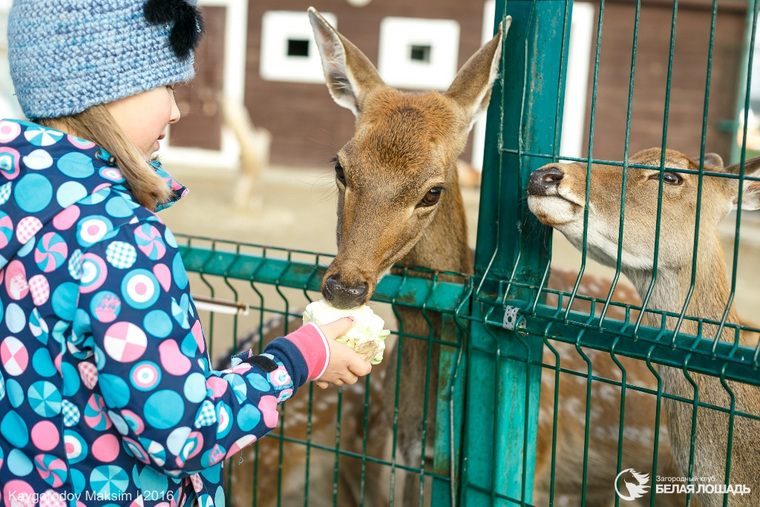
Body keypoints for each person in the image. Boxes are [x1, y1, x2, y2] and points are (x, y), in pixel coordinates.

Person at [0, 1, 372, 505]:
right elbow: (181, 432)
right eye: (168, 87)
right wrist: (300, 357)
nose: (176, 111)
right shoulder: (118, 239)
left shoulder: (16, 204)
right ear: (109, 88)